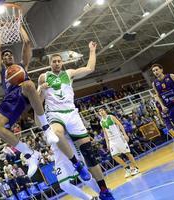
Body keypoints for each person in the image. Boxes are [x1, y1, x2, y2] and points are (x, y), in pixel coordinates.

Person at [38, 41, 114, 199]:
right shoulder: (43, 77)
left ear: (62, 62)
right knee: (57, 133)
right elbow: (37, 102)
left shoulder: (69, 73)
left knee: (89, 153)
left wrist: (92, 50)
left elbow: (90, 68)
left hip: (72, 113)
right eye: (54, 61)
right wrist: (41, 89)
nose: (57, 63)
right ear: (50, 63)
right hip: (54, 113)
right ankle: (77, 164)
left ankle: (104, 191)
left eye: (59, 61)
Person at [0, 26, 59, 178]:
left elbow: (26, 43)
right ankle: (30, 154)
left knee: (27, 84)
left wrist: (19, 26)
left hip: (26, 94)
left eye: (10, 55)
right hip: (10, 100)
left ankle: (46, 129)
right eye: (5, 55)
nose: (8, 56)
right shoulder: (0, 72)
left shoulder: (21, 66)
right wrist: (0, 31)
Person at [52, 134, 100, 200]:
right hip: (58, 154)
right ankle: (89, 198)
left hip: (70, 146)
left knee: (84, 176)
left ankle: (102, 193)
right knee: (64, 185)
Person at [98, 108, 139, 178]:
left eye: (102, 110)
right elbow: (105, 133)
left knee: (127, 153)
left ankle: (136, 168)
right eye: (99, 111)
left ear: (105, 111)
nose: (101, 112)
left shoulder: (111, 117)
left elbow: (120, 125)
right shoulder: (101, 122)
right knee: (114, 156)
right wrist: (107, 143)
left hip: (119, 137)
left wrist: (125, 134)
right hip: (111, 141)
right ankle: (127, 168)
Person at [152, 64, 174, 142]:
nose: (155, 72)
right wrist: (162, 106)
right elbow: (158, 96)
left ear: (161, 70)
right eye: (153, 71)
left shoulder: (171, 76)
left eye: (156, 69)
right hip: (170, 107)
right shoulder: (154, 83)